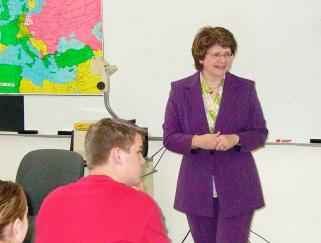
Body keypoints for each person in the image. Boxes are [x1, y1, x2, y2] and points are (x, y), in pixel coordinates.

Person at [163, 26, 268, 243]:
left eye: (227, 54)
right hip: (196, 187)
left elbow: (259, 132)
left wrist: (236, 139)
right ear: (201, 57)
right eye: (216, 55)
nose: (223, 60)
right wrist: (196, 141)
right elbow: (169, 137)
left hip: (238, 186)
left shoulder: (245, 88)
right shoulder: (180, 90)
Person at [36, 118, 170, 243]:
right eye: (138, 152)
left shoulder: (53, 200)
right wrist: (142, 201)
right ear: (117, 155)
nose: (142, 160)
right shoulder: (141, 205)